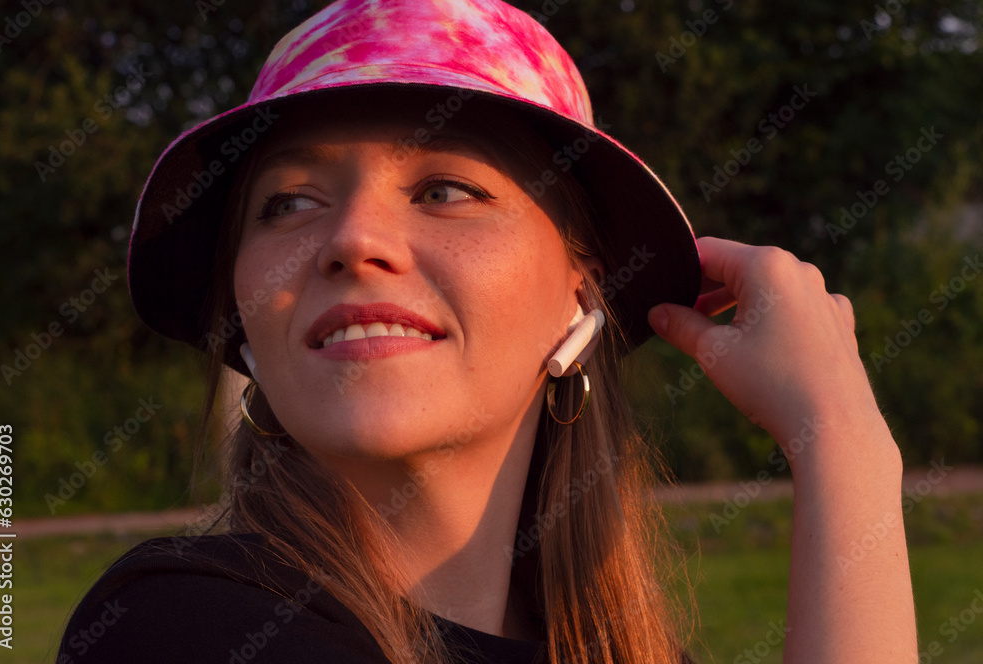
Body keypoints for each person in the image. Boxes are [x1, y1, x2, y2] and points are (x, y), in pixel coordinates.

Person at [58, 1, 916, 662]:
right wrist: (845, 446)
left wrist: (839, 433)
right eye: (289, 203)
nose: (352, 240)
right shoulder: (180, 629)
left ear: (582, 291)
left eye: (444, 191)